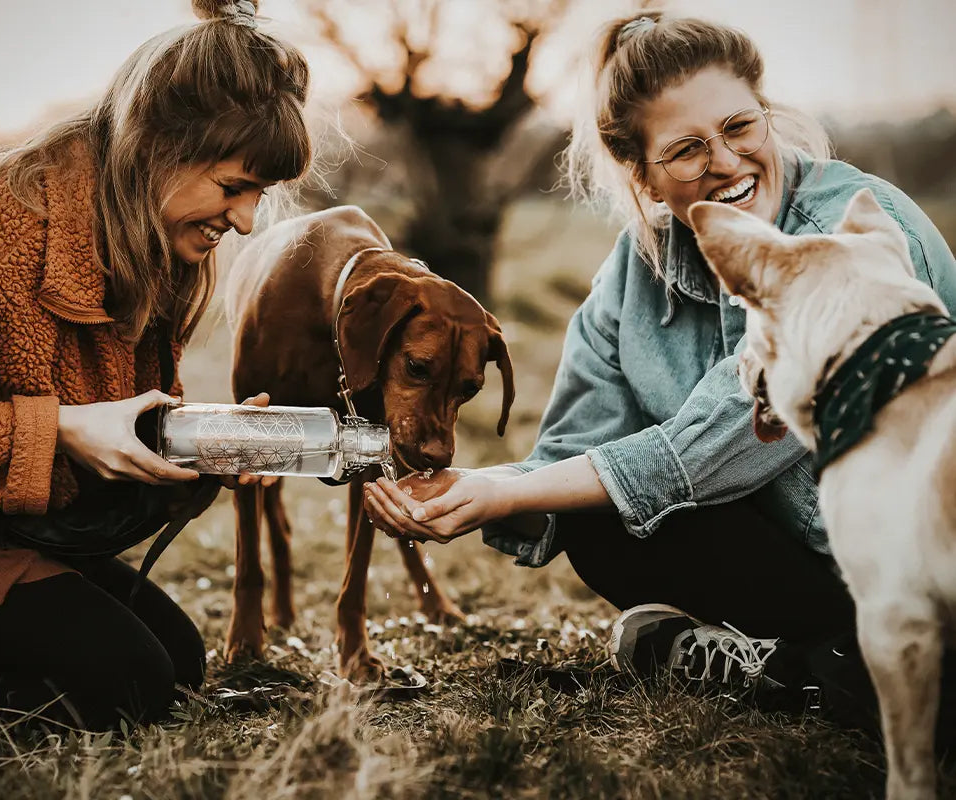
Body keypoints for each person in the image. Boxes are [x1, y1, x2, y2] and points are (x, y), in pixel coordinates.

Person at [364, 11, 956, 732]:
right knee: (594, 516)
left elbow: (735, 439)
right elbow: (573, 447)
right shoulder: (632, 273)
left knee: (609, 489)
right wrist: (474, 490)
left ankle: (793, 669)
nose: (727, 161)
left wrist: (500, 490)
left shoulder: (851, 229)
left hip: (918, 551)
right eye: (686, 150)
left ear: (768, 115)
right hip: (804, 565)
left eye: (740, 126)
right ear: (641, 175)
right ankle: (831, 661)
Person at [0, 0, 309, 730]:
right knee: (126, 683)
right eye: (232, 187)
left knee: (176, 663)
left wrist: (191, 443)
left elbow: (106, 420)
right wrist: (60, 430)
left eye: (261, 194)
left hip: (3, 530)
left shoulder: (142, 238)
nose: (247, 221)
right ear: (157, 149)